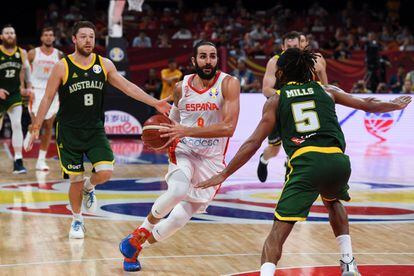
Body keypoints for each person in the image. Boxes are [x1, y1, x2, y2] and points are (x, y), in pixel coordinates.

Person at [196, 48, 411, 276]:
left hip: (307, 164)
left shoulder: (276, 100)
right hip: (338, 163)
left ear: (282, 72)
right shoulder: (327, 90)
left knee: (278, 231)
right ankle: (348, 263)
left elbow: (253, 142)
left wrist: (224, 173)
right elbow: (367, 103)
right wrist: (395, 104)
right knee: (333, 200)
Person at [27, 21, 170, 239]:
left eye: (91, 37)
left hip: (94, 130)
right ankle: (77, 219)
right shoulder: (62, 66)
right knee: (74, 179)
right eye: (83, 36)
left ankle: (89, 186)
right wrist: (37, 124)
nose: (88, 41)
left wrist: (155, 103)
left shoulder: (104, 64)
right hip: (69, 131)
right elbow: (47, 97)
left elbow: (128, 87)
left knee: (104, 172)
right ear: (74, 39)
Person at [119, 40, 240, 272]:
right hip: (184, 149)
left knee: (176, 221)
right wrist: (163, 135)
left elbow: (229, 128)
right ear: (194, 60)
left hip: (212, 159)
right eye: (203, 56)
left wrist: (186, 130)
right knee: (177, 191)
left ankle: (136, 247)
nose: (208, 61)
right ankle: (138, 234)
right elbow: (172, 124)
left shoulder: (229, 84)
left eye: (213, 56)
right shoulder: (180, 87)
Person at [257, 31, 329, 183]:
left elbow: (322, 71)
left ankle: (291, 171)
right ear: (282, 46)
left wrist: (324, 90)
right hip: (279, 108)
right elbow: (266, 89)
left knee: (300, 144)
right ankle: (264, 159)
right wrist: (289, 96)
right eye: (288, 47)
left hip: (300, 110)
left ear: (301, 45)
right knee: (274, 150)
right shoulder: (275, 62)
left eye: (294, 46)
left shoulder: (310, 60)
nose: (291, 49)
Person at [23, 27, 64, 171]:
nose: (48, 37)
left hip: (52, 93)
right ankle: (30, 130)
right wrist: (24, 87)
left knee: (48, 127)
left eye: (51, 35)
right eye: (45, 35)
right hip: (36, 92)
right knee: (36, 125)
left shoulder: (59, 55)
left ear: (54, 38)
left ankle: (41, 160)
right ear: (41, 38)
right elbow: (23, 70)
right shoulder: (33, 53)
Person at [0, 24, 32, 174]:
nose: (10, 35)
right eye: (7, 33)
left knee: (17, 124)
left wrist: (30, 86)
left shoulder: (22, 52)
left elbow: (27, 71)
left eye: (12, 33)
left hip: (14, 94)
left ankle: (18, 160)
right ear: (1, 37)